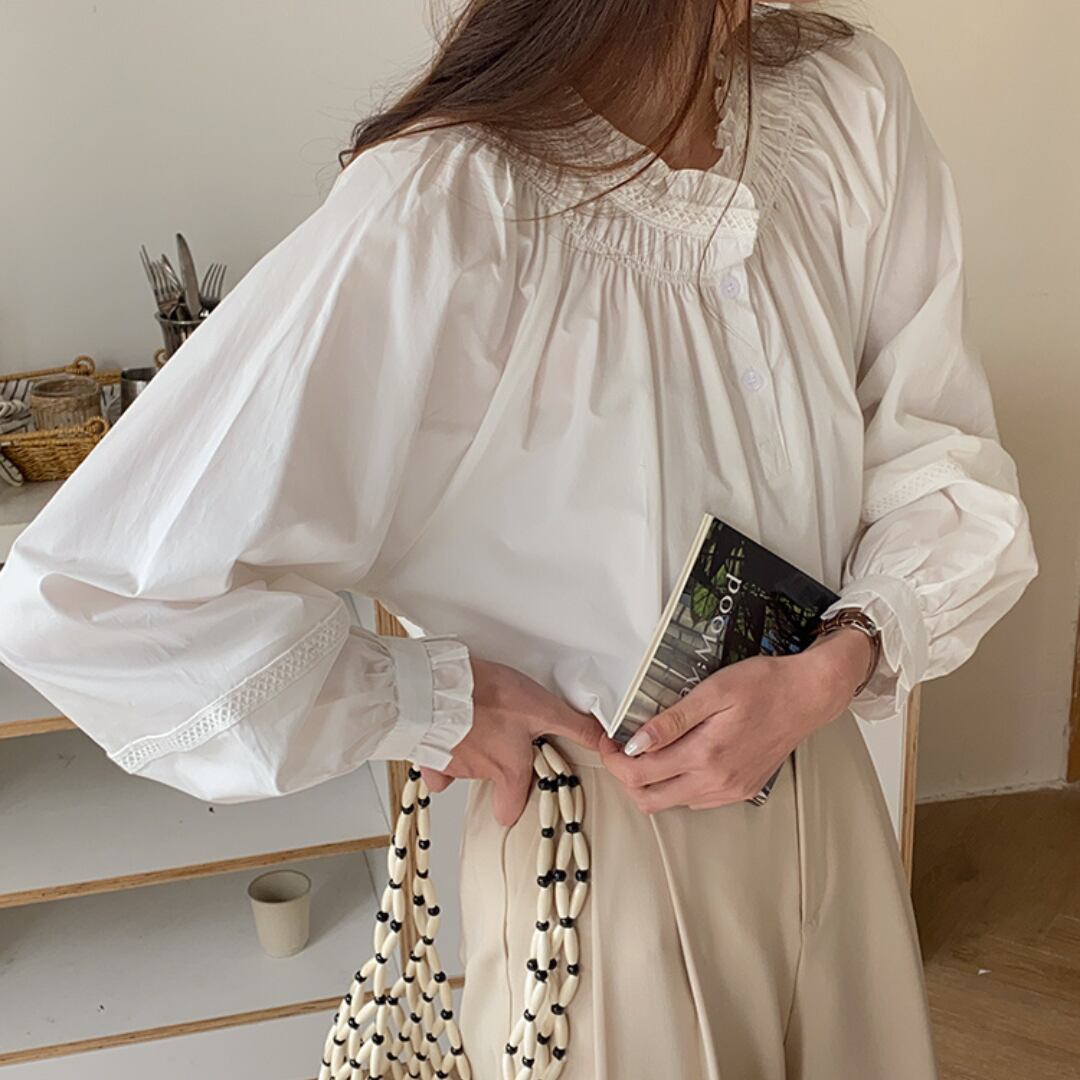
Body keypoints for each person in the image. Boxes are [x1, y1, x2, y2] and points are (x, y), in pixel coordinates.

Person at [0, 2, 1038, 1077]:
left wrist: (846, 656)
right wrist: (424, 699)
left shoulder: (843, 101)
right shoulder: (448, 203)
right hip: (604, 867)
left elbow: (938, 447)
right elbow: (86, 596)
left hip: (826, 771)